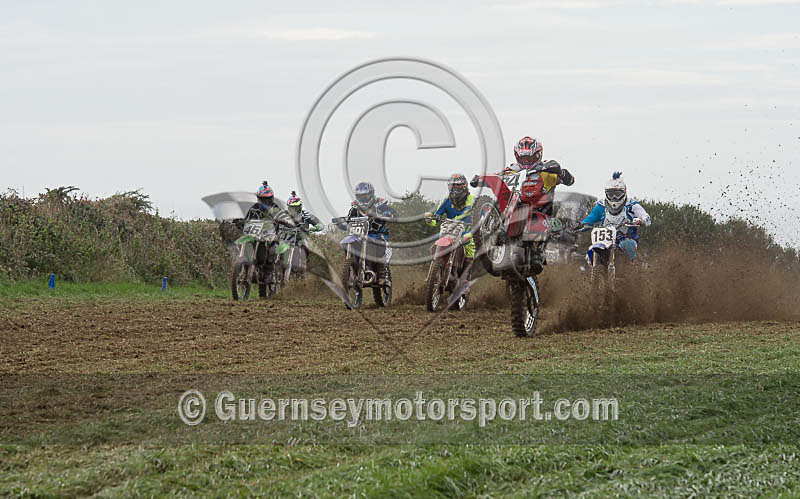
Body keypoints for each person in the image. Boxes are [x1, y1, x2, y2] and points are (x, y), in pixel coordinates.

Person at [335, 182, 397, 285]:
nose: (363, 198)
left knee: (379, 242)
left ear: (371, 194)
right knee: (347, 241)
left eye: (365, 195)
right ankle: (353, 267)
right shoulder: (354, 208)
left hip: (377, 233)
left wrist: (388, 215)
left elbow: (393, 214)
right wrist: (341, 222)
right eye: (360, 196)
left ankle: (382, 273)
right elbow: (349, 219)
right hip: (359, 235)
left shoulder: (380, 204)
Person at [581, 172, 652, 262]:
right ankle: (592, 267)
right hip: (605, 241)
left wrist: (641, 220)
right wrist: (581, 225)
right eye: (611, 194)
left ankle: (632, 267)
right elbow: (591, 218)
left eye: (617, 194)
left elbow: (645, 216)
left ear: (624, 192)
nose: (614, 198)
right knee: (591, 251)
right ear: (606, 194)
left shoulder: (631, 205)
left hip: (625, 238)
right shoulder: (601, 206)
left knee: (628, 244)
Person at [505, 136, 574, 217]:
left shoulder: (546, 170)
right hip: (513, 214)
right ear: (517, 156)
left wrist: (561, 172)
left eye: (530, 158)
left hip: (543, 216)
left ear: (538, 155)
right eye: (523, 158)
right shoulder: (511, 170)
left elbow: (570, 181)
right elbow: (496, 180)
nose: (526, 161)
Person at [424, 173, 475, 279]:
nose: (454, 190)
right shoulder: (446, 200)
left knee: (469, 246)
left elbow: (480, 215)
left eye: (457, 187)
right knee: (434, 244)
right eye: (452, 187)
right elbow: (436, 217)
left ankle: (465, 278)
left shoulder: (472, 200)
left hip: (467, 231)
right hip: (448, 230)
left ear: (464, 187)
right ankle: (434, 271)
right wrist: (430, 220)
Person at [245, 181, 294, 283]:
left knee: (273, 250)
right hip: (256, 234)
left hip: (271, 235)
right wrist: (240, 221)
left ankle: (269, 272)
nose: (265, 201)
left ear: (271, 198)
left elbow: (284, 217)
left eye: (267, 199)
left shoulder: (275, 208)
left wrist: (287, 222)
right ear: (258, 198)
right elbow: (247, 217)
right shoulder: (254, 207)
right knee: (248, 244)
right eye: (262, 199)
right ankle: (246, 269)